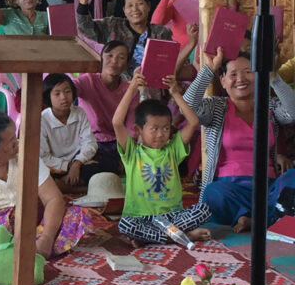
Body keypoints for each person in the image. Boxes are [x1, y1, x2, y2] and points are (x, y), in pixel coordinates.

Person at [0, 109, 92, 266]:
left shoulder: (25, 152)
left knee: (76, 216)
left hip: (31, 226)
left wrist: (46, 238)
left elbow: (53, 199)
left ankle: (17, 253)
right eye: (12, 143)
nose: (18, 143)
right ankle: (13, 251)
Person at [184, 50, 295, 233]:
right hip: (231, 190)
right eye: (233, 74)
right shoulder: (216, 106)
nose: (241, 78)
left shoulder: (269, 106)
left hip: (269, 190)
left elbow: (292, 112)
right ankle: (270, 216)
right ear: (223, 81)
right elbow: (187, 107)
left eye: (248, 71)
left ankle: (253, 219)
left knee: (292, 177)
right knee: (213, 194)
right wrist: (208, 69)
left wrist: (273, 77)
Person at [114, 72, 211, 245]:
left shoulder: (172, 149)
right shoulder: (132, 152)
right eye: (154, 129)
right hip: (141, 216)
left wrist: (175, 92)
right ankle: (182, 236)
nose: (161, 134)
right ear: (138, 130)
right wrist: (131, 89)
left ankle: (153, 238)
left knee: (204, 209)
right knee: (125, 224)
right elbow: (117, 123)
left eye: (166, 128)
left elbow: (193, 122)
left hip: (172, 215)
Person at [74, 0, 173, 77]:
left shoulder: (161, 33)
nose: (135, 9)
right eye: (130, 5)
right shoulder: (113, 25)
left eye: (140, 4)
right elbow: (86, 28)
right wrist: (83, 0)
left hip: (152, 87)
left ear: (148, 6)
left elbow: (170, 63)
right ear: (124, 10)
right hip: (119, 86)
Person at [74, 40, 138, 173]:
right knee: (91, 168)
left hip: (118, 144)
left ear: (127, 64)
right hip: (91, 143)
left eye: (121, 57)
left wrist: (126, 155)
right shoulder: (87, 81)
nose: (114, 61)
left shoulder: (130, 89)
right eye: (109, 55)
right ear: (101, 57)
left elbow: (131, 127)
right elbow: (67, 89)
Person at [39, 73, 99, 190]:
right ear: (48, 96)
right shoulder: (43, 119)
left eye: (67, 91)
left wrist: (77, 163)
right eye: (57, 94)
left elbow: (90, 143)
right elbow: (43, 156)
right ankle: (74, 185)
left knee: (102, 166)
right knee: (37, 172)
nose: (63, 97)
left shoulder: (79, 113)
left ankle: (64, 185)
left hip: (79, 164)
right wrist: (69, 166)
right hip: (55, 167)